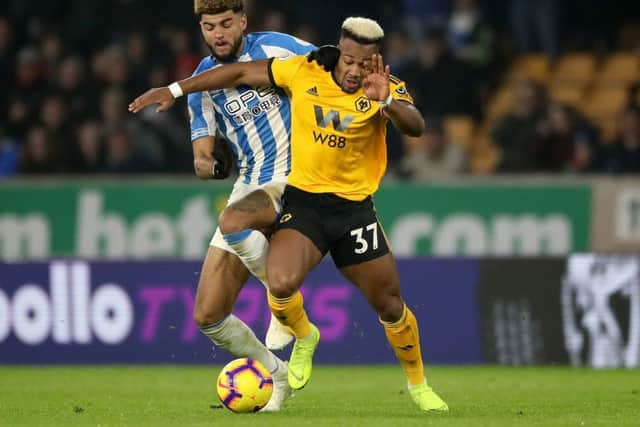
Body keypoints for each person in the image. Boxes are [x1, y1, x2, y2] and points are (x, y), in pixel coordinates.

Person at [129, 16, 449, 412]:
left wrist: (386, 100)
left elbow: (415, 127)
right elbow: (238, 72)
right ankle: (302, 335)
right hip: (305, 203)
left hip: (354, 211)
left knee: (389, 303)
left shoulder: (384, 87)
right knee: (278, 283)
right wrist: (175, 89)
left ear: (375, 62)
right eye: (348, 60)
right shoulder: (303, 71)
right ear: (339, 53)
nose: (354, 71)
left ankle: (418, 384)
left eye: (363, 64)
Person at [139, 0, 317, 412]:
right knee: (208, 316)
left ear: (242, 22)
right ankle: (275, 373)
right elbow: (202, 152)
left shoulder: (278, 48)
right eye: (208, 27)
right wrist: (207, 163)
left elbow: (329, 70)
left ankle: (283, 305)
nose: (217, 33)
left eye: (224, 24)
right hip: (250, 184)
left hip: (298, 177)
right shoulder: (202, 81)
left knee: (232, 219)